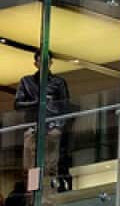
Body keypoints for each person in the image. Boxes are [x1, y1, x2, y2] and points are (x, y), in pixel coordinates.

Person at [13, 53, 70, 194]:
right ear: (35, 63)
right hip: (33, 127)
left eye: (47, 61)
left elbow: (65, 106)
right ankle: (33, 196)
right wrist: (36, 103)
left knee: (50, 165)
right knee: (30, 166)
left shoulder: (58, 82)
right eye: (40, 61)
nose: (44, 64)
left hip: (51, 128)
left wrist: (58, 127)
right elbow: (17, 104)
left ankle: (49, 196)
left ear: (51, 63)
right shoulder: (26, 81)